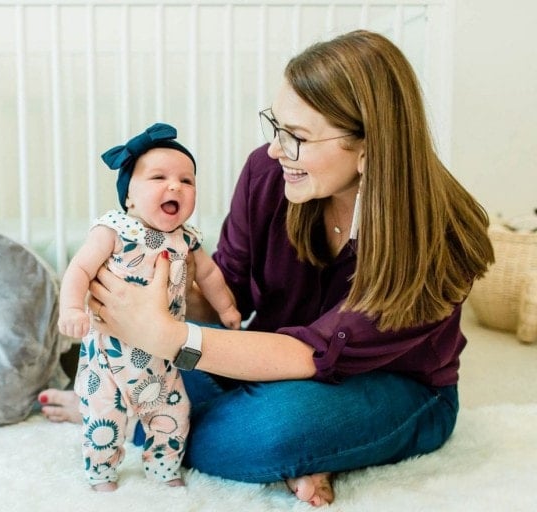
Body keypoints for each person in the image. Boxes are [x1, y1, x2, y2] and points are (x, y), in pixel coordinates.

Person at [39, 30, 495, 506]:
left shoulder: (438, 233)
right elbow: (231, 294)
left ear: (367, 149)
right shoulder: (267, 173)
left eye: (297, 137)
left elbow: (315, 354)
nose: (276, 149)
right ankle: (141, 410)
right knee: (150, 362)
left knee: (273, 431)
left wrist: (165, 337)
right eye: (276, 126)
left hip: (389, 384)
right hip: (273, 360)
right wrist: (150, 287)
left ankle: (130, 420)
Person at [56, 122, 241, 492]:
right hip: (108, 355)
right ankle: (101, 472)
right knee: (104, 419)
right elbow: (79, 270)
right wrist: (71, 309)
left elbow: (210, 276)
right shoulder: (113, 230)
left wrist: (227, 310)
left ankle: (164, 466)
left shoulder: (188, 240)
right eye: (158, 177)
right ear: (129, 197)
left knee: (174, 412)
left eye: (186, 181)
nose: (175, 186)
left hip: (162, 354)